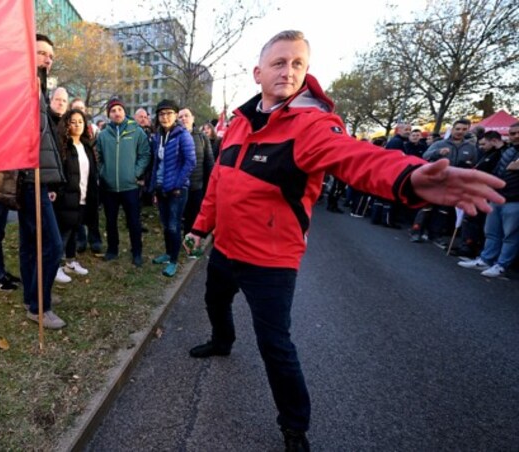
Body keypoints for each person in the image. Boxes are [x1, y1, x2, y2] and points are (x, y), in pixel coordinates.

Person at [182, 30, 505, 452]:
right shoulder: (241, 123)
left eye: (298, 64)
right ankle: (222, 341)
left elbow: (355, 157)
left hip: (271, 262)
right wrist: (200, 228)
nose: (288, 71)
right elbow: (219, 185)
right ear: (258, 72)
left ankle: (294, 428)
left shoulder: (313, 124)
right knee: (214, 300)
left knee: (275, 346)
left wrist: (406, 177)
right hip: (225, 248)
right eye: (279, 63)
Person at [18, 34, 67, 329]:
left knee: (30, 243)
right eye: (42, 53)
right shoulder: (26, 86)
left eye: (50, 54)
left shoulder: (39, 85)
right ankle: (39, 307)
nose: (48, 58)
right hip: (27, 178)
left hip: (38, 179)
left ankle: (32, 295)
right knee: (52, 244)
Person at [95, 97, 151, 267]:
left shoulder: (136, 131)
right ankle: (112, 249)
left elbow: (145, 154)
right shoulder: (103, 135)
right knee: (110, 221)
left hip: (130, 186)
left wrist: (135, 173)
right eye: (113, 111)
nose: (117, 113)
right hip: (109, 187)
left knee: (133, 221)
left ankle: (137, 252)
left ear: (124, 111)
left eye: (119, 109)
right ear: (109, 115)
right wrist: (104, 173)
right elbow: (99, 158)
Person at [458, 123, 519, 277]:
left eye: (517, 133)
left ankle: (501, 265)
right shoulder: (508, 150)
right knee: (491, 232)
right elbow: (498, 170)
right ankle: (486, 259)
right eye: (512, 133)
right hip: (497, 197)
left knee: (510, 236)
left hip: (515, 200)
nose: (515, 136)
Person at [149, 99, 195, 277]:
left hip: (176, 190)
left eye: (169, 113)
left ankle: (174, 261)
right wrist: (154, 185)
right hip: (161, 187)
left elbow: (190, 162)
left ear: (175, 116)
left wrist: (177, 183)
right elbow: (157, 162)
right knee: (165, 224)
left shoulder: (183, 135)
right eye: (161, 114)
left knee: (174, 226)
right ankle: (168, 254)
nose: (165, 117)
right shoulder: (159, 135)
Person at [52, 109, 99, 283]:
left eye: (81, 121)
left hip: (83, 195)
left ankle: (70, 262)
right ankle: (55, 266)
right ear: (67, 124)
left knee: (74, 231)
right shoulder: (63, 145)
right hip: (66, 198)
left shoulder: (86, 145)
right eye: (73, 121)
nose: (77, 124)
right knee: (63, 233)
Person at [71, 98, 104, 255]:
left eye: (82, 108)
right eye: (76, 108)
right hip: (75, 180)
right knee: (77, 213)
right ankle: (80, 240)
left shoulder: (92, 130)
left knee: (92, 212)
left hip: (91, 176)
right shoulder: (68, 131)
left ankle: (95, 241)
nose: (80, 110)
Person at [178, 107, 215, 244]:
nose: (183, 119)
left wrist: (211, 185)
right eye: (180, 117)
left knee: (192, 217)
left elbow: (209, 161)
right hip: (179, 186)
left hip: (196, 186)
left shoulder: (202, 137)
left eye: (186, 116)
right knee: (178, 217)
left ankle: (190, 243)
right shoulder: (174, 136)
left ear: (192, 118)